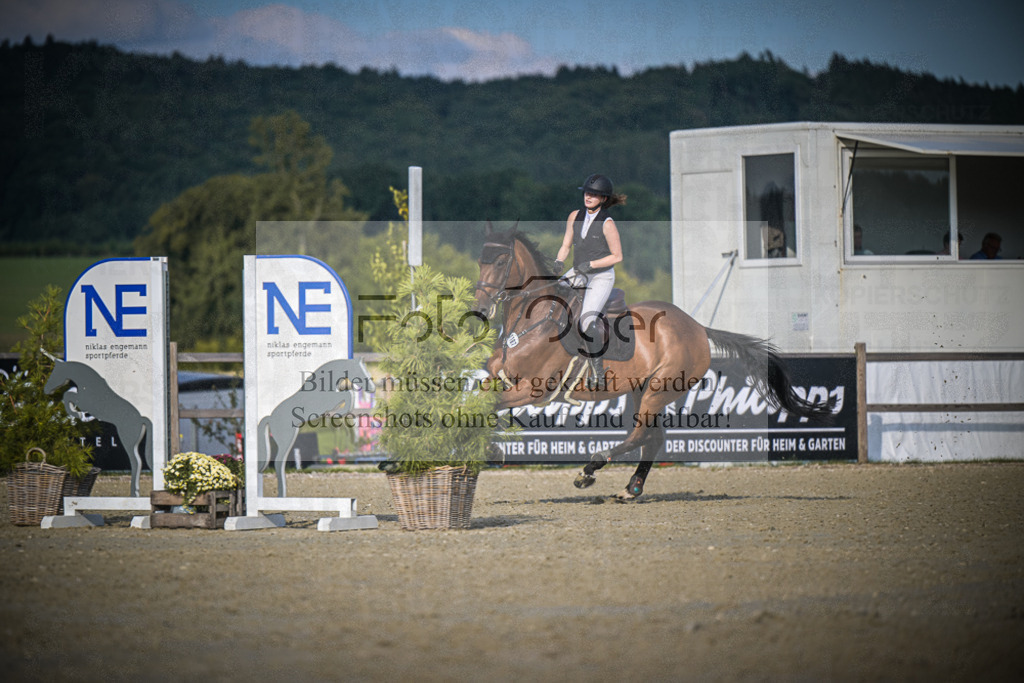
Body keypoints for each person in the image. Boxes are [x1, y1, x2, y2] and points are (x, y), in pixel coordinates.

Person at [554, 174, 626, 384]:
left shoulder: (607, 223)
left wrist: (592, 265)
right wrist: (559, 261)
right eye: (587, 193)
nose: (588, 197)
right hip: (579, 272)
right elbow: (566, 244)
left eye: (594, 195)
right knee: (552, 296)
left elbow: (617, 256)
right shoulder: (574, 216)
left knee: (586, 322)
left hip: (600, 277)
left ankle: (598, 372)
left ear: (603, 199)